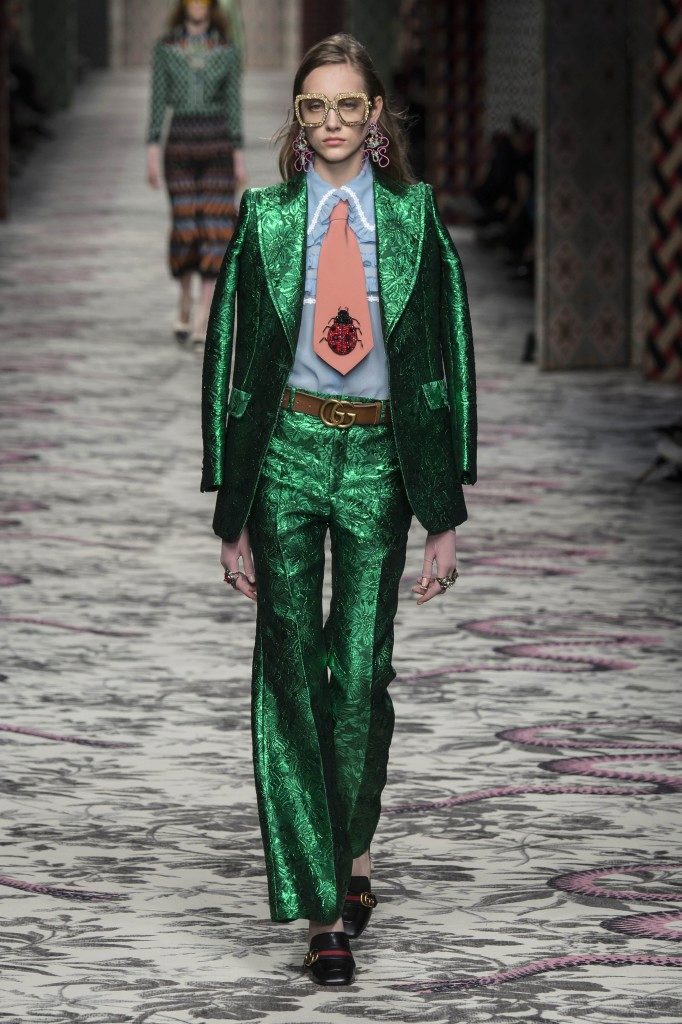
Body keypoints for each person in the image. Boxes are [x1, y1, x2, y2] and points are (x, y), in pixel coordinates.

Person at [201, 32, 476, 985]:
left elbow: (448, 356)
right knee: (289, 670)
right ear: (297, 117)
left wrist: (445, 512)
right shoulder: (265, 218)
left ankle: (354, 850)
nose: (331, 121)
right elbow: (228, 356)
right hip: (285, 448)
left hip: (377, 460)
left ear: (375, 115)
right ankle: (324, 906)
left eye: (348, 104)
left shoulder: (414, 216)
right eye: (314, 106)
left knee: (359, 673)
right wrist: (230, 509)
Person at [145, 0, 247, 348]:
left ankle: (204, 316)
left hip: (218, 143)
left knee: (216, 228)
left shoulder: (227, 50)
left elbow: (233, 103)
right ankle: (184, 300)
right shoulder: (166, 48)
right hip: (180, 145)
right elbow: (158, 99)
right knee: (185, 223)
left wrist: (238, 155)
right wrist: (152, 149)